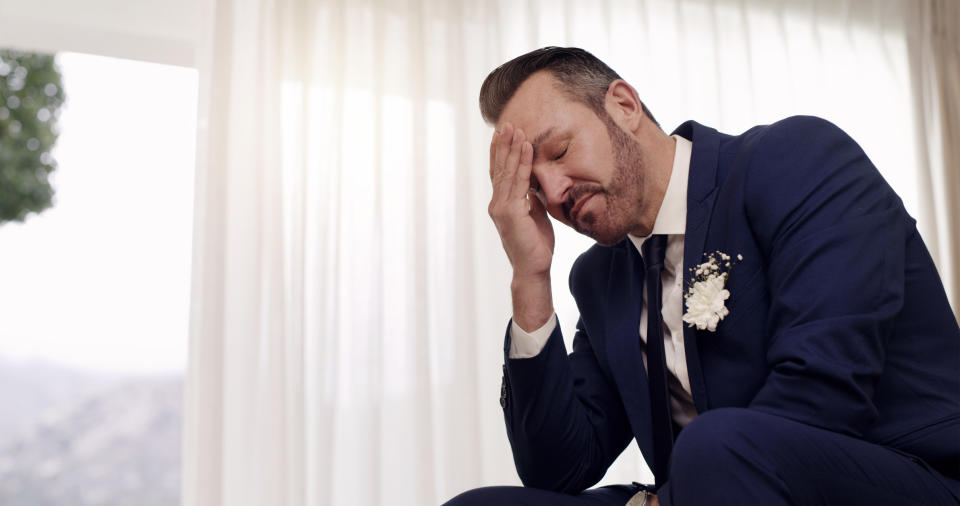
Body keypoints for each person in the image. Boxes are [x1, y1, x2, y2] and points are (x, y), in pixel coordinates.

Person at [444, 47, 960, 506]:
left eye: (558, 152)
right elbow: (559, 468)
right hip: (702, 488)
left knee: (715, 448)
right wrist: (529, 277)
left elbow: (825, 392)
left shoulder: (796, 159)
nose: (555, 193)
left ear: (624, 106)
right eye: (535, 185)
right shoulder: (599, 279)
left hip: (902, 473)